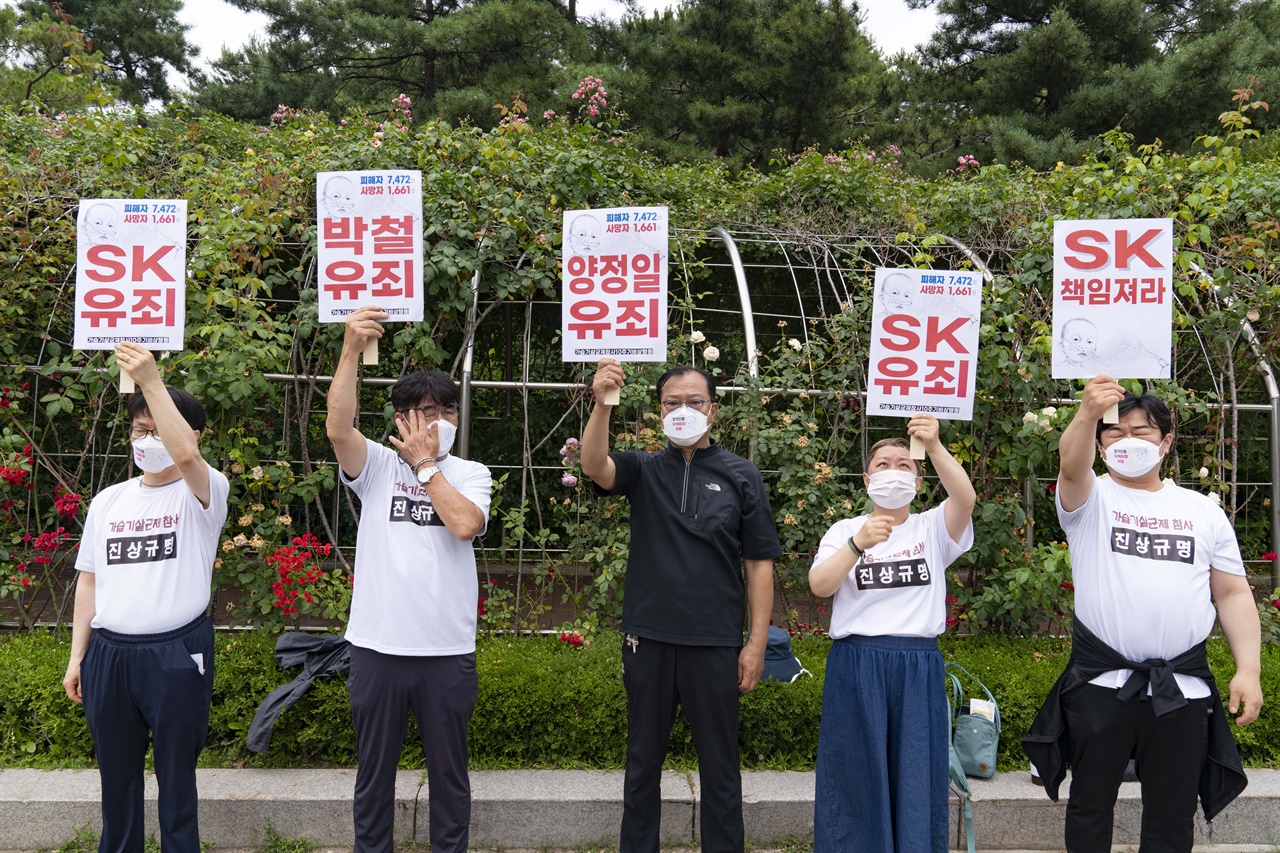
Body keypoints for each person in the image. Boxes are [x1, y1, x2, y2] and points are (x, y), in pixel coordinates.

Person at [1023, 376, 1263, 853]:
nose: (1127, 441)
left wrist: (1249, 669)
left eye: (1142, 431)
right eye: (1115, 432)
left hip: (1182, 691)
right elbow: (1070, 468)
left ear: (1166, 441)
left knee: (1173, 814)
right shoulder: (1091, 499)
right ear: (1099, 442)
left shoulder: (1202, 512)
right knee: (1089, 807)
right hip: (1100, 688)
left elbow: (1233, 593)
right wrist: (1088, 411)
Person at [580, 358, 782, 853]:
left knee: (720, 768)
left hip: (714, 642)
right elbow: (594, 466)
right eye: (673, 403)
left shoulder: (741, 475)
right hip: (647, 638)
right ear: (659, 411)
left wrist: (756, 642)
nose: (684, 410)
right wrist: (602, 403)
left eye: (695, 402)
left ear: (713, 410)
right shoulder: (643, 468)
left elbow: (759, 564)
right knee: (642, 766)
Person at [325, 305, 492, 853]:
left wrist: (426, 467)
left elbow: (465, 524)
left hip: (446, 650)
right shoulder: (375, 465)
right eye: (425, 411)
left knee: (450, 778)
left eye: (447, 410)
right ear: (401, 419)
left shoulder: (471, 473)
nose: (439, 419)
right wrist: (351, 348)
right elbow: (337, 426)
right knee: (374, 776)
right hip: (377, 647)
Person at [62, 342, 230, 853]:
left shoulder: (204, 490)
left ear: (192, 434)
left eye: (158, 427)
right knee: (117, 780)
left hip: (177, 653)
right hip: (109, 655)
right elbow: (89, 580)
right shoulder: (107, 502)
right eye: (140, 429)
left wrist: (152, 384)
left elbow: (186, 456)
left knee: (176, 780)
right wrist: (78, 657)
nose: (147, 438)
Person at [808, 415, 976, 853]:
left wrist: (934, 445)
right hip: (856, 662)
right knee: (854, 771)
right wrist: (857, 545)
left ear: (919, 481)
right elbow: (820, 586)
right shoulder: (844, 531)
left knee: (917, 773)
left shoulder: (931, 528)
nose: (894, 471)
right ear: (867, 479)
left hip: (916, 663)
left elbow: (966, 497)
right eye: (883, 463)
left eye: (905, 465)